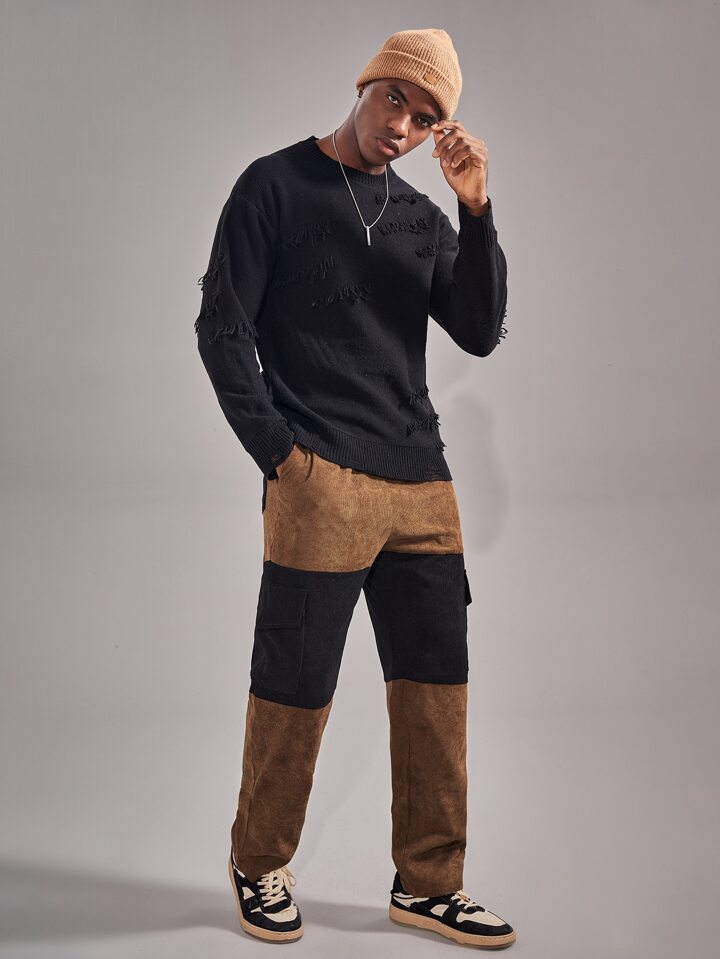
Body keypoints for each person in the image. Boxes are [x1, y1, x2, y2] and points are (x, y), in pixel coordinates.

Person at [194, 27, 514, 949]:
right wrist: (283, 459)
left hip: (423, 486)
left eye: (426, 117)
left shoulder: (420, 217)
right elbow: (222, 329)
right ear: (368, 83)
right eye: (395, 99)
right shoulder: (273, 186)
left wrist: (477, 209)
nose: (402, 126)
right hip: (319, 476)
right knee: (294, 684)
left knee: (436, 691)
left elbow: (480, 329)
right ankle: (259, 861)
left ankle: (430, 884)